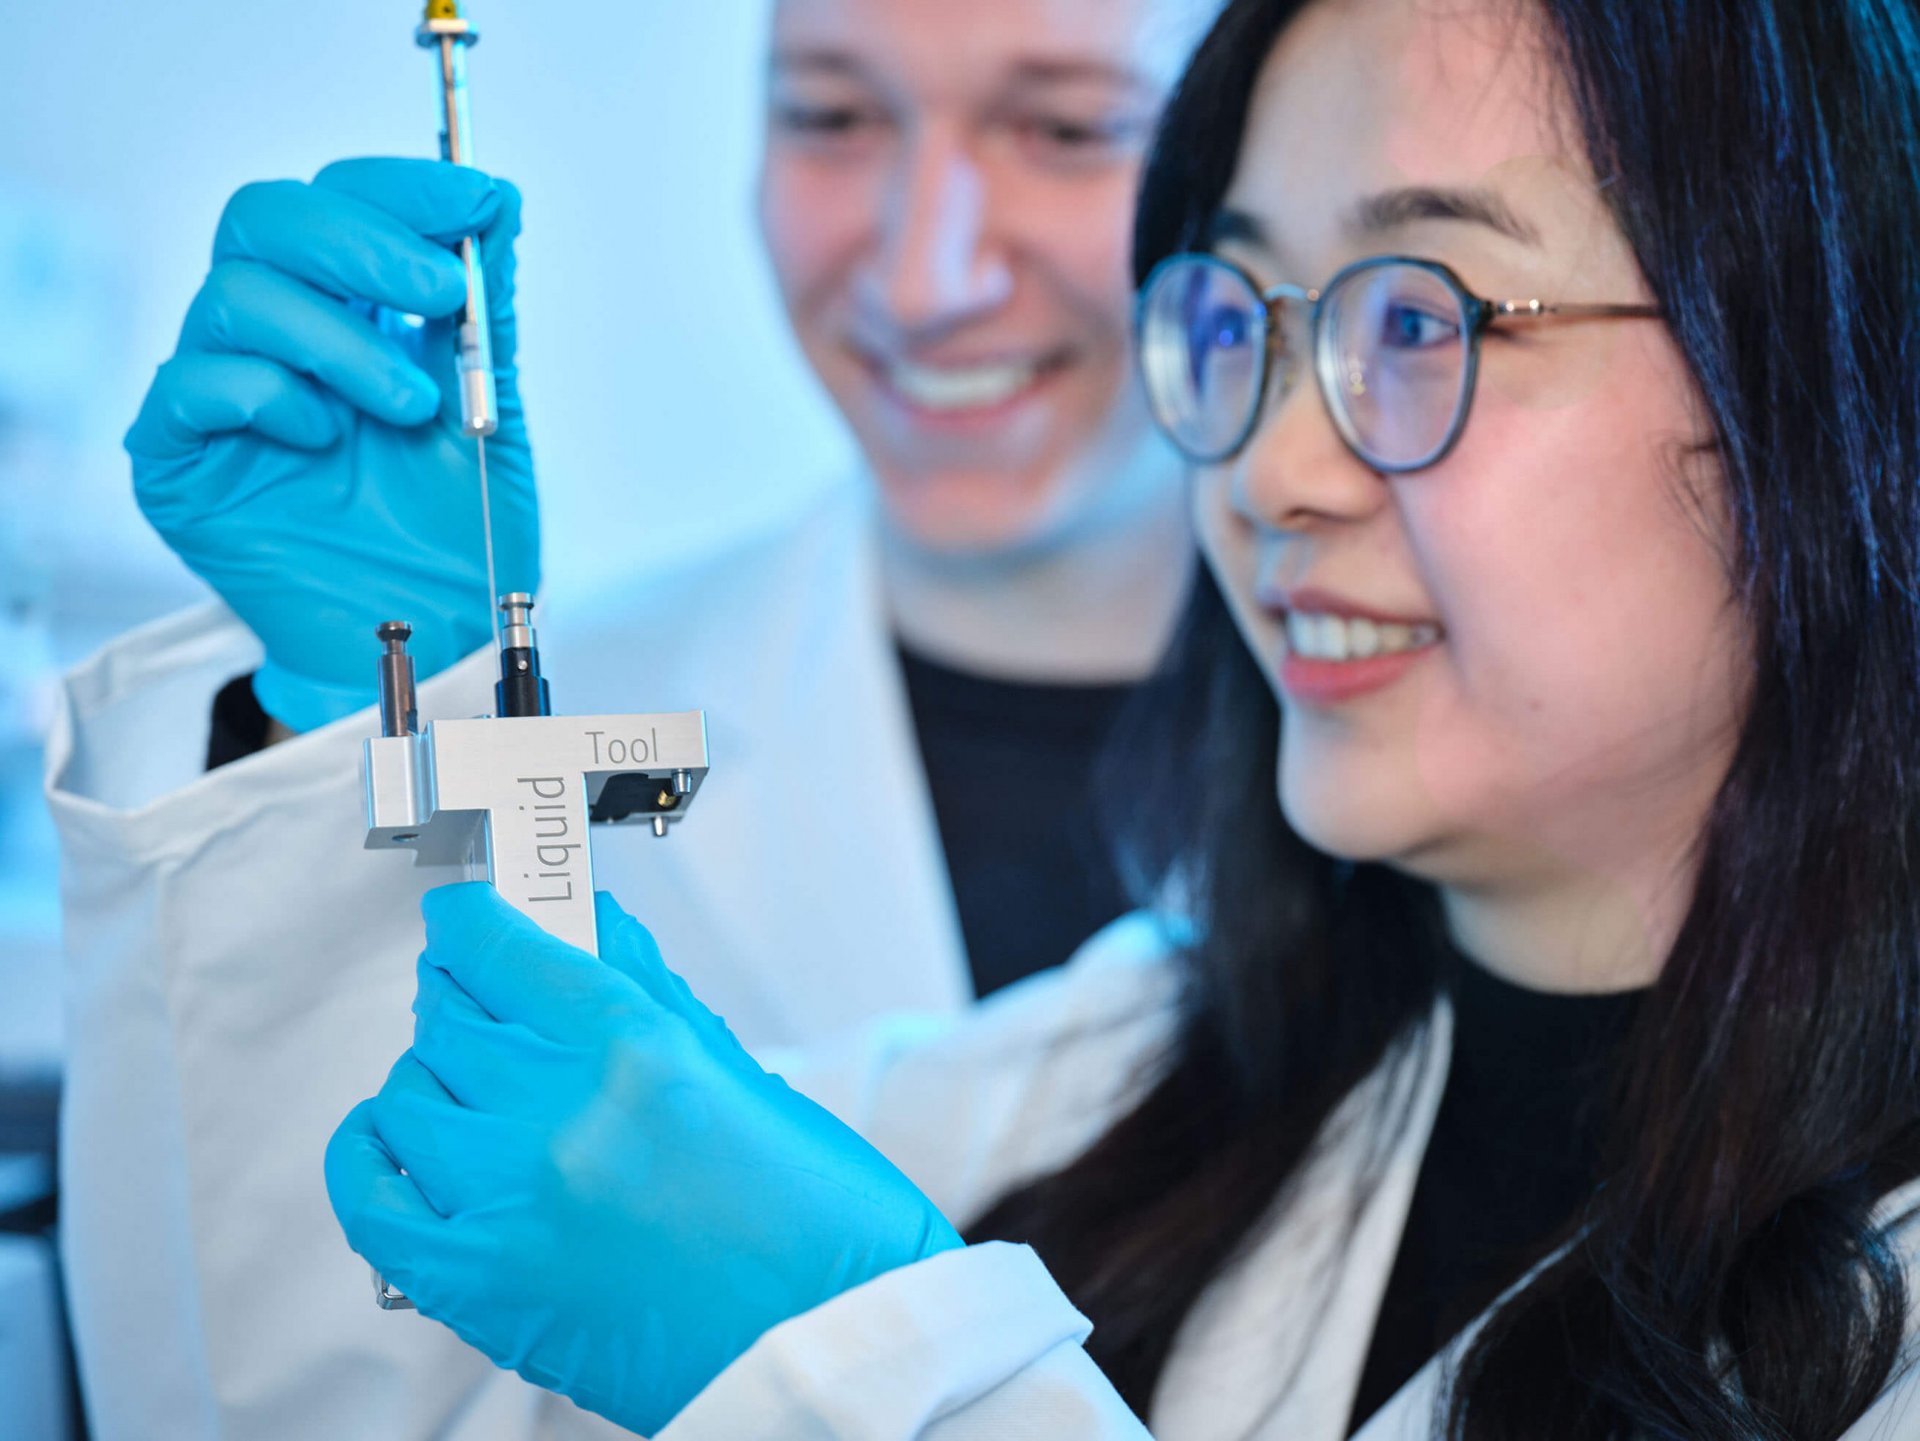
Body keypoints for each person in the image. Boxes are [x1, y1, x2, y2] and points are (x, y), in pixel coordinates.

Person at [327, 0, 1920, 1436]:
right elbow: (383, 1385)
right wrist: (322, 699)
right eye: (1247, 317)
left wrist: (868, 1366)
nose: (1272, 470)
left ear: (1828, 363)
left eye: (1420, 321)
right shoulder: (1123, 1069)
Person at [42, 2, 1220, 1436]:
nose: (927, 274)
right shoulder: (536, 705)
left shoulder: (1438, 794)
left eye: (1068, 128)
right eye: (834, 115)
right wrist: (316, 716)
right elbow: (256, 1387)